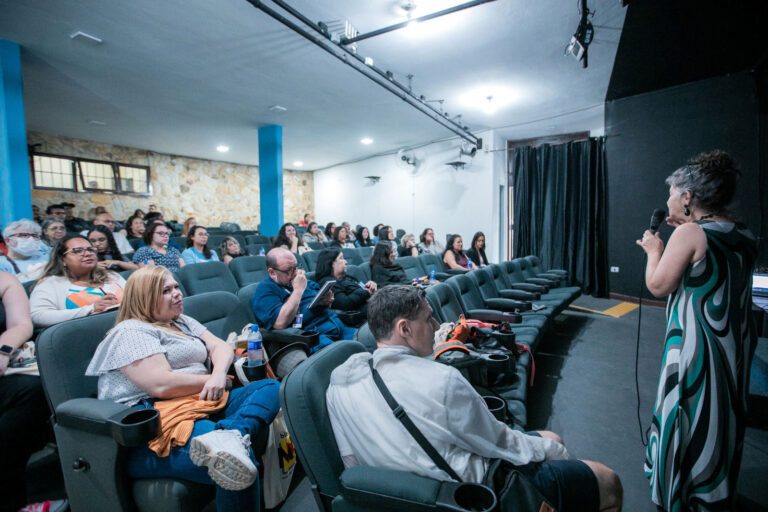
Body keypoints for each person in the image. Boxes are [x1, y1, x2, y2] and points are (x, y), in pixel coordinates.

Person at [327, 285, 623, 512]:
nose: (436, 327)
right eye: (428, 319)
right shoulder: (441, 380)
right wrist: (561, 456)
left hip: (409, 494)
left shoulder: (338, 384)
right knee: (608, 482)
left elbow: (351, 461)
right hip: (473, 493)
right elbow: (502, 444)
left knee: (551, 437)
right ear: (404, 328)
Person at [85, 266, 280, 510]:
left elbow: (221, 347)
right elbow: (161, 384)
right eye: (166, 290)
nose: (177, 293)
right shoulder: (131, 331)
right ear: (145, 298)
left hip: (202, 400)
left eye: (176, 287)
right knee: (235, 462)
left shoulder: (180, 321)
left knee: (270, 387)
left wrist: (218, 374)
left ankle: (231, 434)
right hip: (160, 420)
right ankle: (227, 443)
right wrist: (214, 380)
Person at [636, 150, 756, 511]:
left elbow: (659, 286)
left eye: (672, 193)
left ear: (687, 198)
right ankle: (712, 489)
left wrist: (654, 250)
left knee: (691, 411)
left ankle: (680, 493)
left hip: (696, 345)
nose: (669, 200)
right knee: (721, 414)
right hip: (733, 343)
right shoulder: (742, 232)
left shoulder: (689, 234)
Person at [0, 272, 54, 512]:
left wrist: (2, 352)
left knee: (34, 391)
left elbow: (21, 324)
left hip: (3, 366)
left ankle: (14, 496)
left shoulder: (5, 280)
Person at [250, 248, 356, 352]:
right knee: (349, 353)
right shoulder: (265, 290)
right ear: (272, 272)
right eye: (289, 270)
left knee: (367, 337)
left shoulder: (306, 282)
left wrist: (327, 301)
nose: (296, 273)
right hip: (313, 337)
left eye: (296, 267)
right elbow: (279, 323)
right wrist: (298, 290)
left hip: (337, 326)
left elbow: (325, 304)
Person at [29, 235, 126, 328]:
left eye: (90, 249)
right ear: (62, 259)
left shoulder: (112, 276)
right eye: (78, 251)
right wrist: (91, 309)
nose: (88, 253)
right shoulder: (50, 284)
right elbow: (38, 316)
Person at [314, 248, 377, 317]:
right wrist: (366, 292)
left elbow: (362, 288)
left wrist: (370, 286)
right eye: (341, 258)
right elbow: (345, 303)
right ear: (332, 263)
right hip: (361, 316)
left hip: (372, 307)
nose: (346, 262)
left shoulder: (347, 277)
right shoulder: (327, 282)